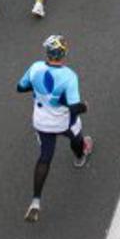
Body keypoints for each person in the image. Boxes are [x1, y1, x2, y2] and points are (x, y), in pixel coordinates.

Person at [17, 33, 93, 224]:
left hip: (41, 122)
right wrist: (84, 107)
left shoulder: (35, 68)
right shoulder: (69, 76)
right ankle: (79, 156)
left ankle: (35, 201)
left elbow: (20, 87)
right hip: (63, 122)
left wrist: (38, 90)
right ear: (63, 54)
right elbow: (74, 107)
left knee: (45, 157)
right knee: (76, 136)